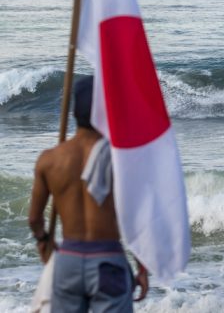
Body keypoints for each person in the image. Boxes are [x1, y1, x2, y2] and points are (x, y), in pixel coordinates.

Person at [28, 76, 148, 312]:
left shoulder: (50, 159)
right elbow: (135, 220)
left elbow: (34, 219)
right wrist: (142, 268)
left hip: (68, 262)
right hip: (108, 262)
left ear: (73, 111)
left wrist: (44, 240)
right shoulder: (119, 160)